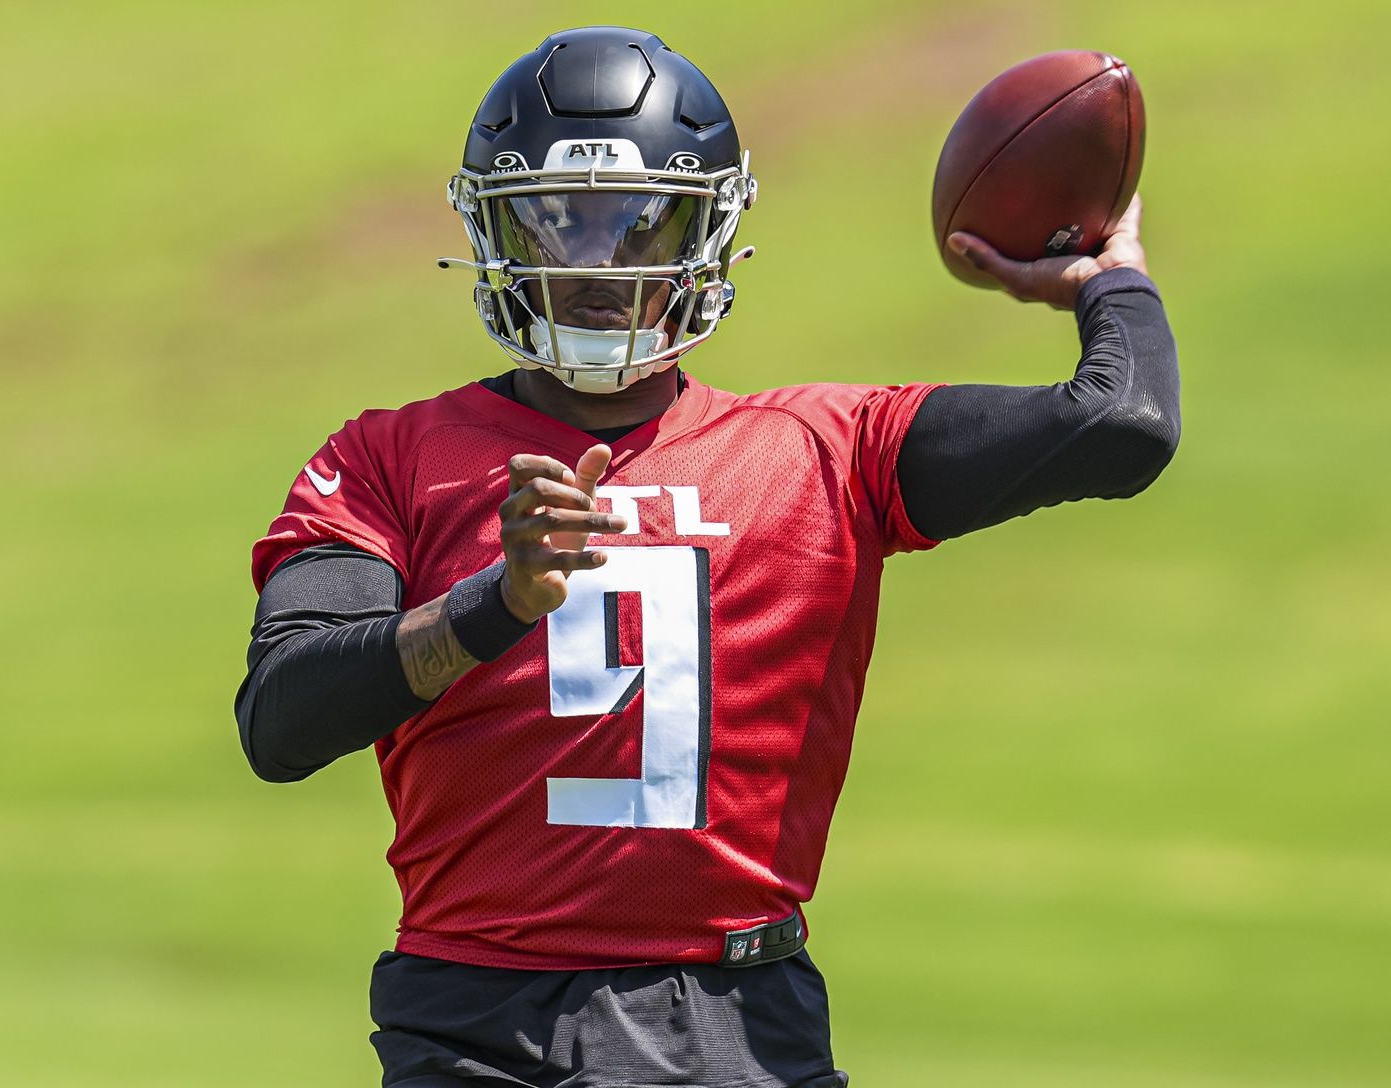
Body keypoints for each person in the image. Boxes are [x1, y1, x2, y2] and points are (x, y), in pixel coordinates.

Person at [235, 26, 1178, 1088]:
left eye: (642, 224)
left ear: (710, 232)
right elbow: (282, 718)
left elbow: (1123, 424)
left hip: (743, 1028)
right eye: (557, 224)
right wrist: (491, 605)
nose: (599, 265)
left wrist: (1107, 278)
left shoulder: (829, 447)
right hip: (476, 1033)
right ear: (496, 235)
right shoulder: (386, 457)